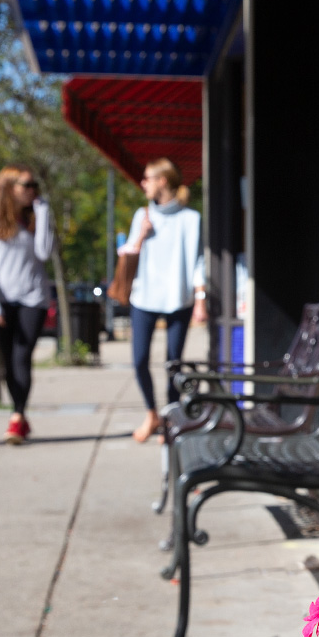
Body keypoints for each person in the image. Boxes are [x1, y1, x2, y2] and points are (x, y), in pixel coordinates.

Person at [119, 157, 205, 443]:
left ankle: (169, 417)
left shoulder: (190, 219)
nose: (143, 183)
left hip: (178, 299)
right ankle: (151, 413)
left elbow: (198, 262)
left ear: (162, 181)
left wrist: (200, 300)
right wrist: (141, 236)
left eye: (147, 178)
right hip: (144, 298)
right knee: (140, 359)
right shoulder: (142, 216)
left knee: (174, 363)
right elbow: (128, 253)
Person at [0, 164, 54, 445]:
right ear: (9, 188)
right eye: (26, 185)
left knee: (22, 357)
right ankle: (18, 413)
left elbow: (44, 252)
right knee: (9, 363)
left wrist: (44, 215)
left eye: (35, 186)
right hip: (1, 301)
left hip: (34, 299)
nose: (33, 191)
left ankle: (17, 416)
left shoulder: (35, 219)